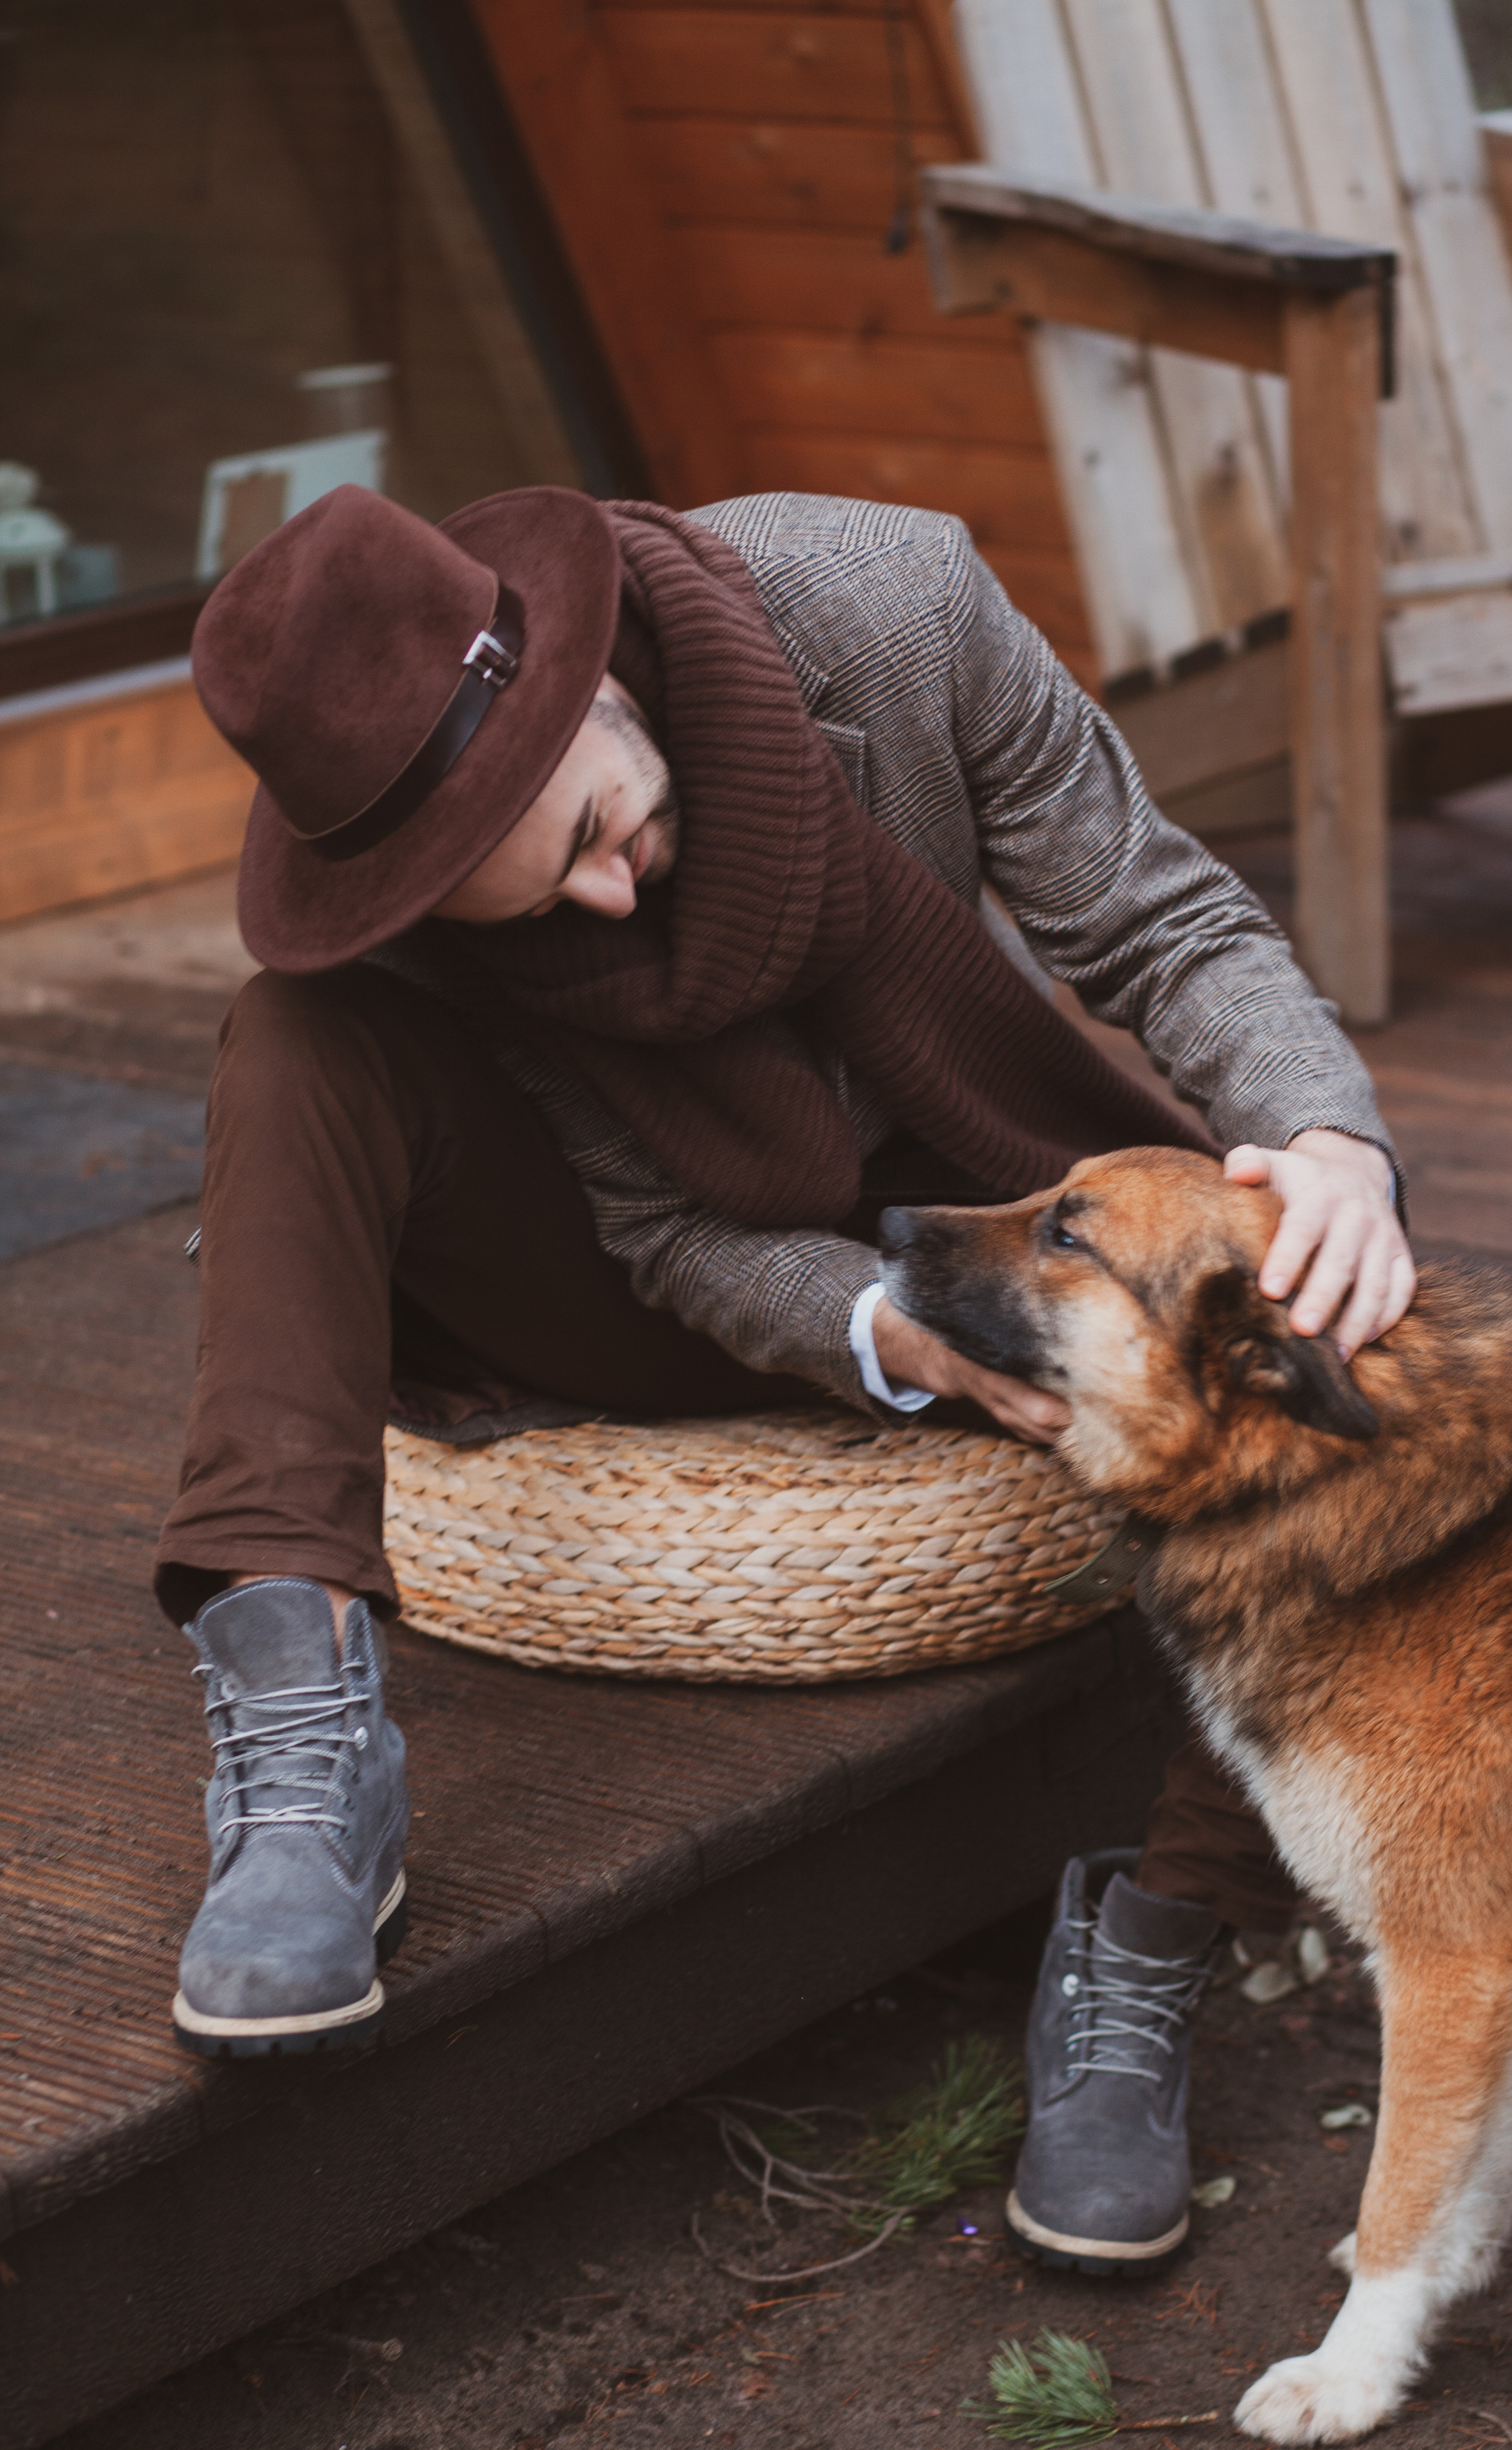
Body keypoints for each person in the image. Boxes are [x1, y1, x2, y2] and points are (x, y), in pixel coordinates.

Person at [161, 480, 1413, 2275]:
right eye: (548, 904)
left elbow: (1165, 926)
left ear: (583, 666)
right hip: (700, 1257)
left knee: (1330, 1324)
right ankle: (299, 1740)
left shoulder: (896, 609)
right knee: (289, 1044)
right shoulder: (444, 906)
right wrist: (876, 1334)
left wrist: (1326, 1146)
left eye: (600, 823)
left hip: (1004, 1198)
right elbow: (661, 1236)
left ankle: (1153, 1941)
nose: (607, 892)